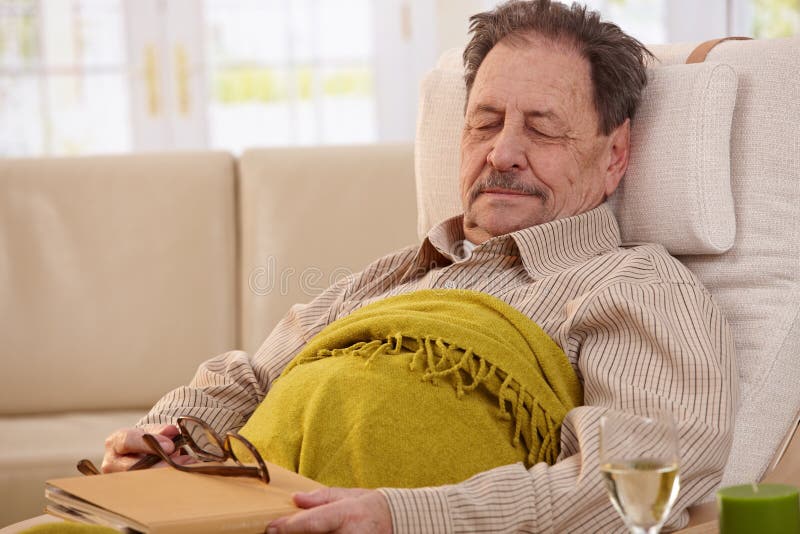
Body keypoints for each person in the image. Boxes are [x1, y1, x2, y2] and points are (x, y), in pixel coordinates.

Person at [102, 0, 738, 532]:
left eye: (543, 130)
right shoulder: (392, 275)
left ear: (615, 156)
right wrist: (170, 434)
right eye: (484, 123)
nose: (504, 152)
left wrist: (406, 516)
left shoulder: (638, 285)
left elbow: (636, 481)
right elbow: (249, 377)